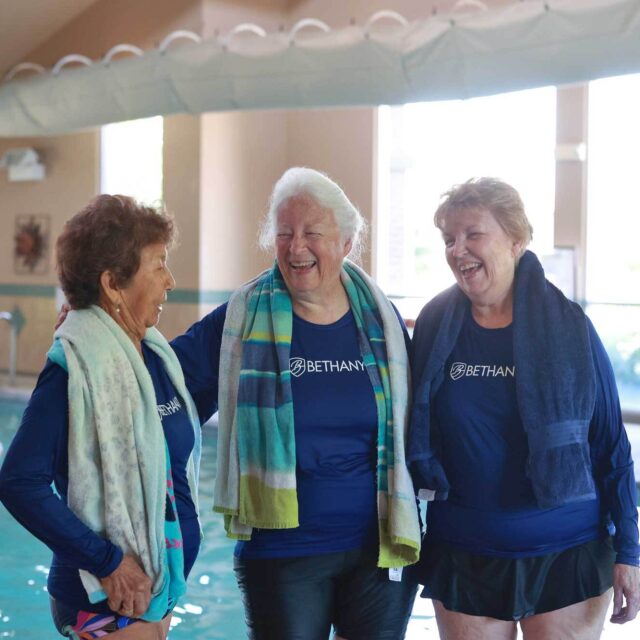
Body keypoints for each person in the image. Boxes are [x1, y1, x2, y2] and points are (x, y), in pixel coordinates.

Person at [170, 166, 421, 640]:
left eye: (312, 233)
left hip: (378, 549)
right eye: (284, 233)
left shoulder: (382, 322)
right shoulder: (242, 318)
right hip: (282, 553)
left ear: (346, 243)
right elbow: (166, 382)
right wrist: (109, 336)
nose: (296, 247)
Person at [407, 177, 640, 639]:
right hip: (465, 551)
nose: (458, 250)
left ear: (516, 240)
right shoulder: (435, 325)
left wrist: (630, 551)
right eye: (449, 239)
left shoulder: (571, 327)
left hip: (566, 552)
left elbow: (611, 444)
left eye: (473, 234)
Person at [0, 195, 203, 640]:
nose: (170, 281)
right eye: (158, 265)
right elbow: (18, 481)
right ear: (113, 284)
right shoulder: (72, 373)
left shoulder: (153, 360)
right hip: (104, 600)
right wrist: (108, 563)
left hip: (152, 594)